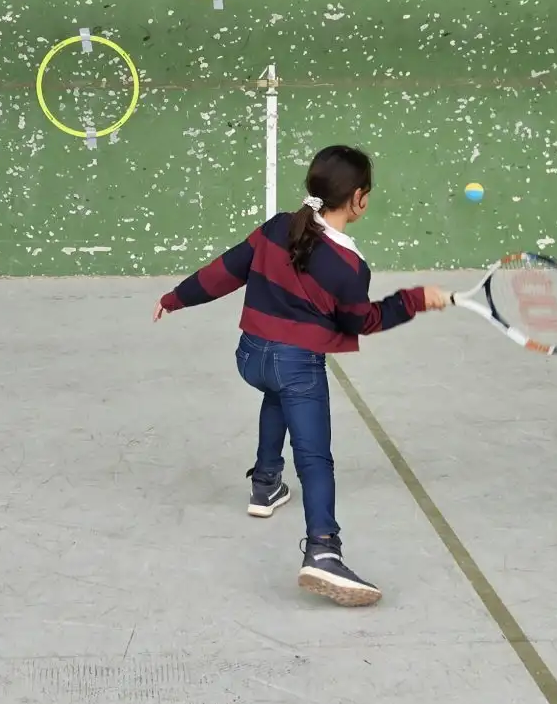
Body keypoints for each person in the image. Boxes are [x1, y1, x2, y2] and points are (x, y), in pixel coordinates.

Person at [152, 144, 451, 605]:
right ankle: (323, 552)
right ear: (359, 199)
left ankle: (265, 484)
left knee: (277, 394)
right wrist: (413, 301)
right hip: (297, 365)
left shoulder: (278, 227)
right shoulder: (350, 266)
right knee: (314, 459)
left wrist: (175, 298)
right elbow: (361, 321)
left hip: (251, 358)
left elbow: (224, 271)